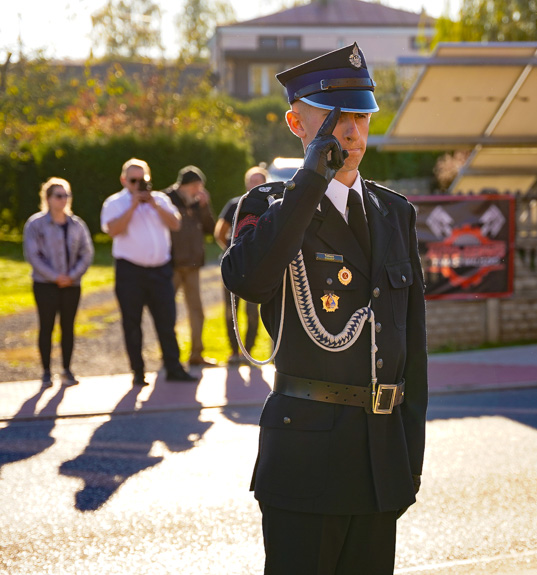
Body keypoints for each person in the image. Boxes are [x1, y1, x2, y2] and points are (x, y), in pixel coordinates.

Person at [221, 43, 428, 574]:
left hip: (380, 459)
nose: (352, 132)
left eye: (360, 115)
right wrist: (310, 180)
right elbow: (246, 277)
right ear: (297, 122)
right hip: (306, 461)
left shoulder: (394, 213)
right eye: (335, 118)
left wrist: (410, 460)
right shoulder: (269, 207)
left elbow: (414, 348)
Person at [100, 158, 196, 386]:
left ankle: (173, 368)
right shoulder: (115, 203)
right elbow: (113, 230)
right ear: (124, 180)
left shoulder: (160, 200)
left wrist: (153, 204)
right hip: (130, 272)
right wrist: (133, 205)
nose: (138, 185)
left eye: (142, 179)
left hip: (160, 271)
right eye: (133, 180)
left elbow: (175, 223)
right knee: (132, 323)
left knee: (167, 320)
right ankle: (138, 372)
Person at [23, 178, 94, 388]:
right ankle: (46, 371)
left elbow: (87, 252)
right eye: (59, 196)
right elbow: (33, 255)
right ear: (48, 198)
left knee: (68, 327)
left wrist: (72, 276)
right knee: (46, 326)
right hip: (45, 285)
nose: (63, 200)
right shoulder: (35, 225)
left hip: (71, 285)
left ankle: (67, 369)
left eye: (66, 195)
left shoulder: (77, 225)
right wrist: (55, 277)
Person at [214, 166, 268, 365]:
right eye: (253, 181)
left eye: (259, 181)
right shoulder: (235, 205)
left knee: (253, 313)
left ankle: (248, 352)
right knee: (231, 311)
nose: (256, 184)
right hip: (233, 267)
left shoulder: (271, 206)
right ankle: (234, 352)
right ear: (247, 183)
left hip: (256, 269)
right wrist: (232, 251)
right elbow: (220, 232)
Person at [165, 166, 217, 367]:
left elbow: (210, 229)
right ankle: (170, 357)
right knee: (168, 312)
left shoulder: (198, 202)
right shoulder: (166, 199)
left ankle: (196, 354)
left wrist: (205, 206)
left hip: (193, 265)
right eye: (196, 186)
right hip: (171, 265)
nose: (198, 190)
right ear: (184, 186)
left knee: (197, 311)